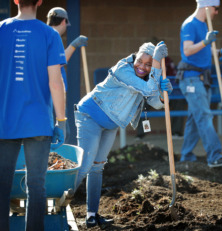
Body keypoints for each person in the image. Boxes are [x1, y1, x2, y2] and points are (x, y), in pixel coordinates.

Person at [74, 41, 172, 229]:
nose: (142, 67)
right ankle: (56, 203)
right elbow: (148, 89)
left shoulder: (146, 79)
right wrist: (157, 66)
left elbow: (156, 101)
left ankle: (92, 215)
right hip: (90, 115)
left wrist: (163, 92)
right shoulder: (123, 69)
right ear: (135, 57)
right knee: (85, 165)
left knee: (97, 167)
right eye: (140, 61)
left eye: (148, 64)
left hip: (111, 124)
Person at [0, 0, 67, 230]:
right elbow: (56, 84)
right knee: (36, 185)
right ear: (39, 1)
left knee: (1, 184)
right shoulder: (50, 34)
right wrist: (61, 121)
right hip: (39, 122)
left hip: (4, 122)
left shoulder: (1, 30)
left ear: (15, 1)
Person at [176, 0, 222, 167]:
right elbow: (187, 50)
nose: (217, 12)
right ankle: (214, 156)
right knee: (204, 116)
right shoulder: (190, 25)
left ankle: (186, 155)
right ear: (207, 6)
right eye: (216, 8)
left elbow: (202, 49)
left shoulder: (203, 25)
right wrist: (206, 42)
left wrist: (217, 51)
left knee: (195, 118)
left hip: (201, 79)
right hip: (191, 79)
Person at [47, 7, 88, 142]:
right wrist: (74, 45)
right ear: (64, 22)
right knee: (62, 134)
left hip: (48, 93)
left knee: (56, 133)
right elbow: (58, 63)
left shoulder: (46, 35)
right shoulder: (53, 36)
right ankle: (55, 161)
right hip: (53, 94)